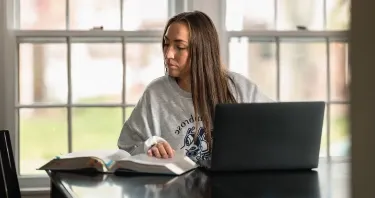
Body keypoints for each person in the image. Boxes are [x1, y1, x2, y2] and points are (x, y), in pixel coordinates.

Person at [117, 10, 273, 161]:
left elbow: (277, 129)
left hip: (232, 185)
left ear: (202, 50)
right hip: (173, 187)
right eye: (166, 43)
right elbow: (126, 146)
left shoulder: (239, 88)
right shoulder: (155, 94)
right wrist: (148, 146)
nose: (168, 54)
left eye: (179, 47)